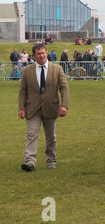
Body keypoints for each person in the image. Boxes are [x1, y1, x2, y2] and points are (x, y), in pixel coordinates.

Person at [18, 43, 69, 171]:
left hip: (51, 108)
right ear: (34, 56)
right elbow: (22, 91)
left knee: (51, 136)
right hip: (32, 108)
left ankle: (51, 160)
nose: (41, 56)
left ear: (47, 53)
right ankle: (29, 161)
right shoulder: (27, 71)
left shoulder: (57, 69)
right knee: (32, 134)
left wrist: (64, 105)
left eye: (43, 53)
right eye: (38, 54)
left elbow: (64, 88)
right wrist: (21, 108)